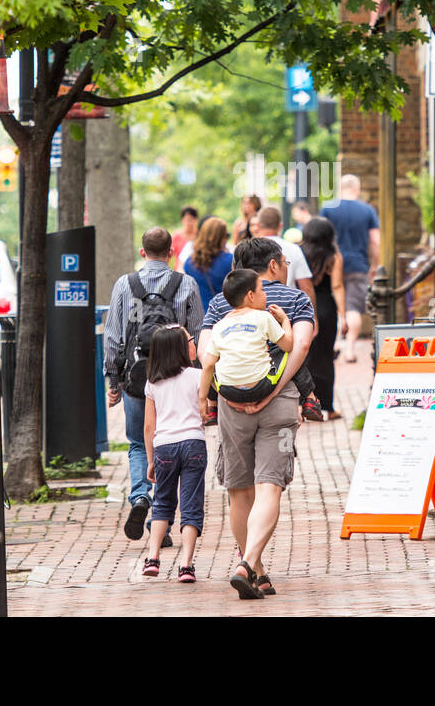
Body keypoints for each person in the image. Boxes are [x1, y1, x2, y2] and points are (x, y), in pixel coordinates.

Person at [198, 237, 315, 599]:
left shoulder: (221, 303)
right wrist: (274, 389)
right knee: (269, 486)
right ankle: (249, 563)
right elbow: (302, 344)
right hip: (279, 404)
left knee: (238, 489)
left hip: (232, 406)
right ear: (277, 264)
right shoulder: (296, 300)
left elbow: (205, 353)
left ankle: (256, 569)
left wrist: (214, 392)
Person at [104, 227, 203, 542]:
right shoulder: (185, 284)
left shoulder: (125, 284)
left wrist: (113, 378)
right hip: (175, 374)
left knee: (137, 441)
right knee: (171, 441)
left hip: (137, 374)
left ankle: (140, 496)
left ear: (142, 251)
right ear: (172, 251)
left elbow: (113, 335)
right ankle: (160, 524)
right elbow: (198, 332)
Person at [141, 325, 207, 583]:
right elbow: (206, 410)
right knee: (191, 505)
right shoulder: (197, 376)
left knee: (162, 503)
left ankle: (153, 558)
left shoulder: (153, 382)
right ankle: (186, 565)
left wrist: (150, 460)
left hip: (164, 446)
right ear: (182, 348)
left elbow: (149, 426)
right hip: (193, 443)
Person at [199, 269, 294, 404]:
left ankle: (216, 406)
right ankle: (308, 398)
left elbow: (208, 365)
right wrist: (284, 320)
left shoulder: (219, 326)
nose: (265, 295)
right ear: (251, 295)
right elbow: (288, 345)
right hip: (261, 387)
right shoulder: (264, 317)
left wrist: (202, 399)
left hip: (229, 391)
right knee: (284, 351)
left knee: (211, 356)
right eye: (261, 290)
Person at [321, 174, 379, 363]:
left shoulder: (328, 209)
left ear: (340, 188)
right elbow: (375, 241)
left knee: (338, 306)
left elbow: (321, 237)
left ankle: (336, 342)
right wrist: (375, 265)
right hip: (358, 264)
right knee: (353, 307)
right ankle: (350, 350)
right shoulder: (367, 210)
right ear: (357, 188)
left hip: (332, 264)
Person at [301, 217, 347, 420]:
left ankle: (305, 404)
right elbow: (337, 286)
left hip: (303, 305)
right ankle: (327, 406)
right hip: (326, 308)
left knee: (305, 356)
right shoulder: (334, 256)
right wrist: (343, 315)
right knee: (326, 357)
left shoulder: (298, 253)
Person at [250, 206, 314, 301]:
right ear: (280, 226)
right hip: (289, 305)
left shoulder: (249, 249)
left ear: (258, 226)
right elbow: (306, 287)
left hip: (255, 303)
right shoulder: (294, 249)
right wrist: (312, 314)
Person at [183, 217, 233, 312]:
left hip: (199, 317)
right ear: (221, 238)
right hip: (225, 316)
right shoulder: (230, 261)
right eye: (226, 235)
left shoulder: (189, 263)